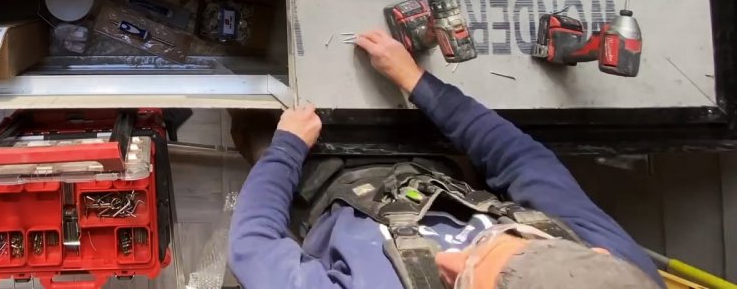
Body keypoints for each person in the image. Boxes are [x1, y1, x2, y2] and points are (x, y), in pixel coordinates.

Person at [228, 29, 664, 289]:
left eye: (462, 281)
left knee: (248, 104)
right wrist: (419, 82)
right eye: (494, 244)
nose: (450, 260)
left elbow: (252, 245)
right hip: (432, 162)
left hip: (321, 181)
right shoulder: (611, 274)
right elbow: (522, 160)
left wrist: (285, 149)